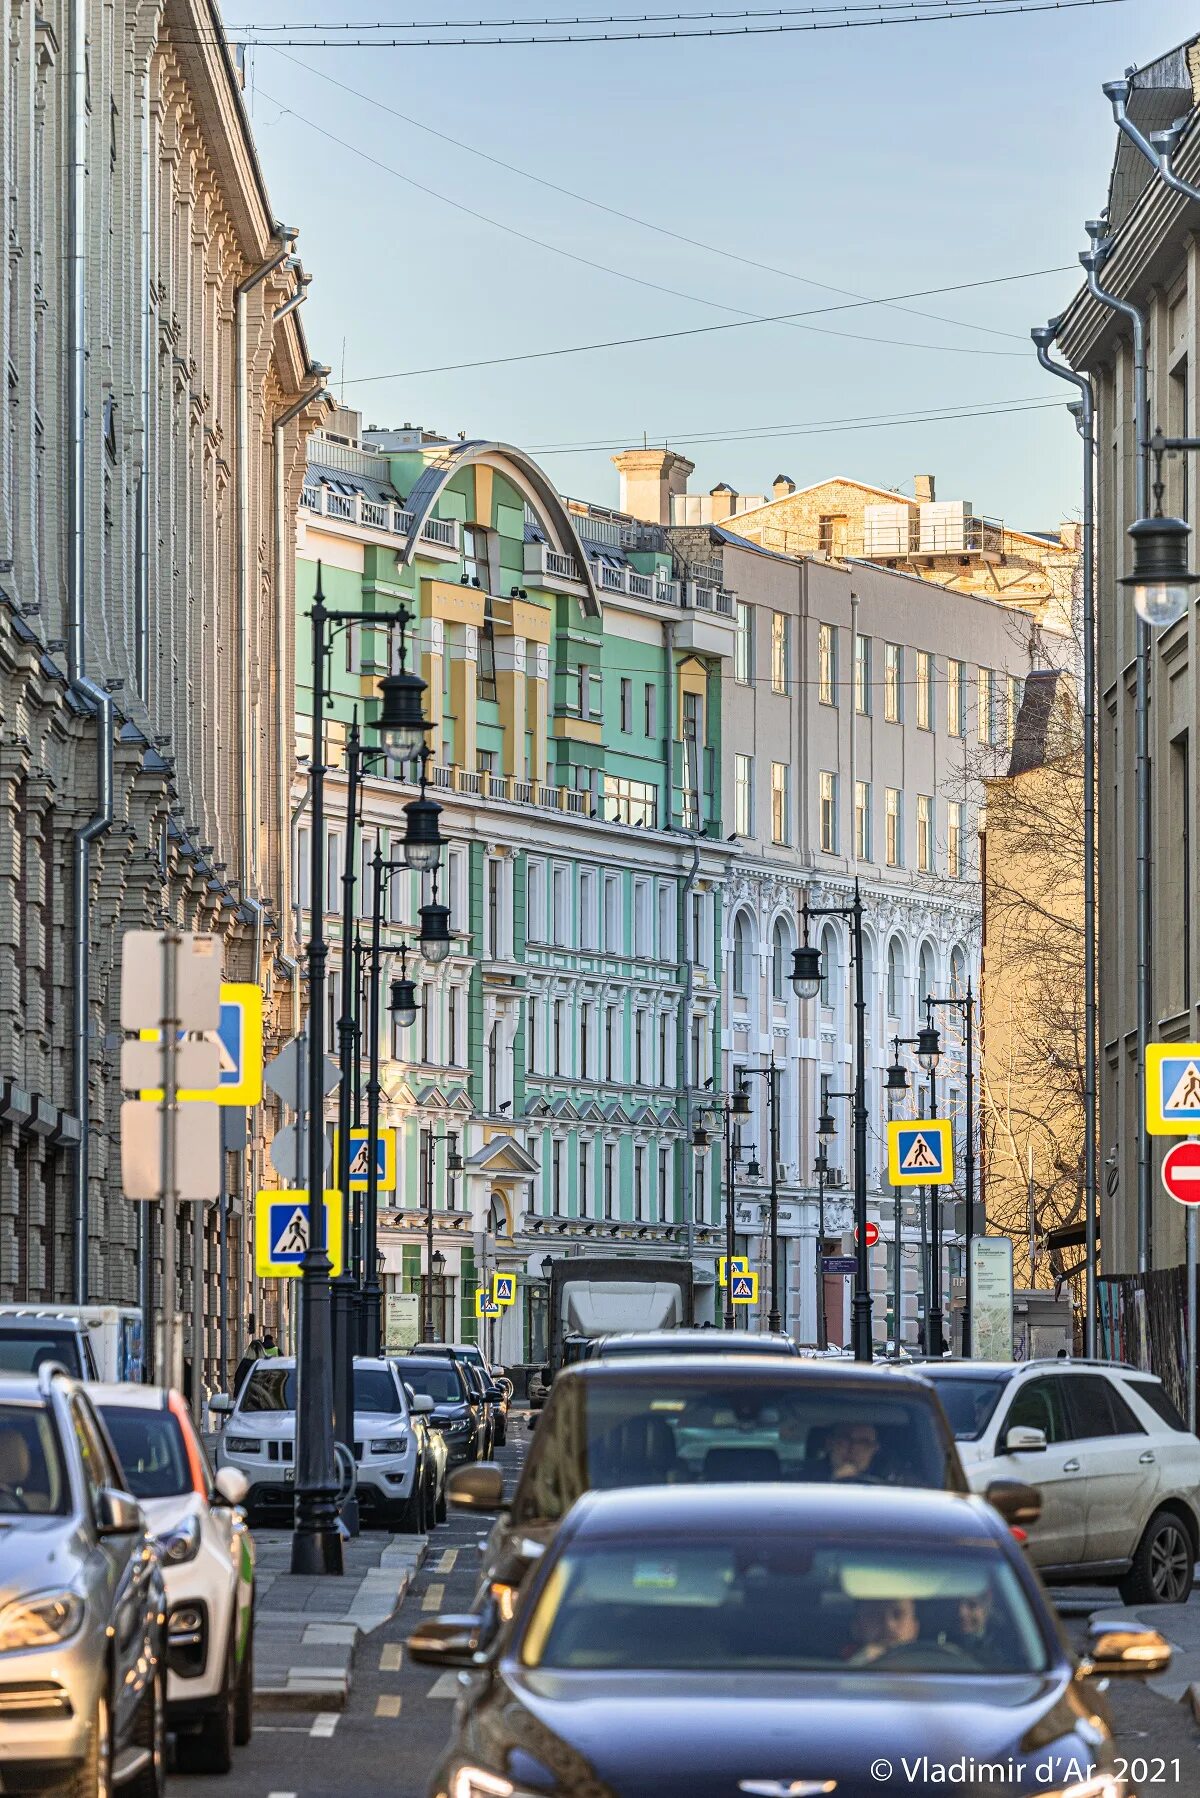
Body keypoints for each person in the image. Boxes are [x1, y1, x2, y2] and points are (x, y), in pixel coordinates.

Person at [846, 1597, 919, 1666]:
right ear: (857, 1628)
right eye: (875, 1615)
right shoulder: (837, 1669)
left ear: (914, 1627)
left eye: (898, 1614)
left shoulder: (929, 1669)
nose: (889, 1625)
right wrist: (859, 1664)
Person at [806, 1422, 885, 1483]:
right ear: (829, 1443)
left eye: (864, 1442)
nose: (853, 1448)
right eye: (845, 1439)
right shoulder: (801, 1482)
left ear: (875, 1449)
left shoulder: (892, 1487)